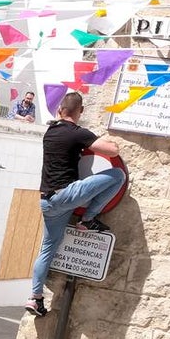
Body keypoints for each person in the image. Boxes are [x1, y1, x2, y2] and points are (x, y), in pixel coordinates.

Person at [27, 91, 124, 317]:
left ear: (61, 110)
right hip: (67, 195)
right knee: (118, 175)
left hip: (47, 201)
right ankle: (88, 219)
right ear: (80, 111)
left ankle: (35, 298)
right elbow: (113, 151)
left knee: (47, 250)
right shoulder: (77, 133)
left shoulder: (49, 132)